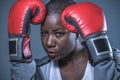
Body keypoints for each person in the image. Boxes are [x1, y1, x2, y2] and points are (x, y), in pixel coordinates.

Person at [8, 0, 120, 80]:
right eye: (44, 33)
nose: (48, 43)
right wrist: (19, 60)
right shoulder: (40, 70)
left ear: (76, 31)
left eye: (58, 34)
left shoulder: (114, 62)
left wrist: (103, 58)